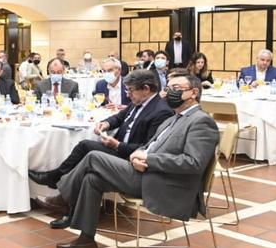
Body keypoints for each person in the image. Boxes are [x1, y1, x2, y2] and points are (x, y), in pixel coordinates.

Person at [52, 73, 219, 248]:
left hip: (164, 183)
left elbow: (193, 163)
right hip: (145, 172)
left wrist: (149, 160)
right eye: (168, 88)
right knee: (92, 179)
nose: (169, 93)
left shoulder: (201, 121)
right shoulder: (174, 118)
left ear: (194, 92)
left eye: (176, 89)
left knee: (94, 156)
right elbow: (149, 146)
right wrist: (136, 156)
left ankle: (62, 196)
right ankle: (86, 240)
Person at [31, 69, 172, 193]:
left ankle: (56, 179)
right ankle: (59, 183)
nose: (128, 95)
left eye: (130, 90)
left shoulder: (160, 111)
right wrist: (106, 123)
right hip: (120, 148)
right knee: (85, 148)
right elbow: (118, 117)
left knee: (87, 151)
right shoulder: (140, 101)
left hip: (130, 158)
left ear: (146, 89)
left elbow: (147, 148)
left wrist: (117, 145)